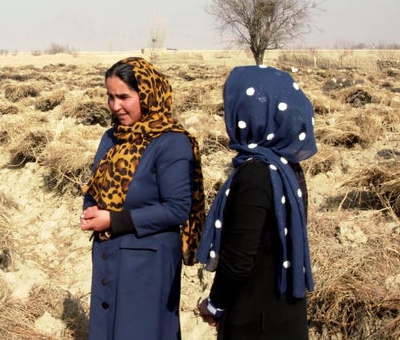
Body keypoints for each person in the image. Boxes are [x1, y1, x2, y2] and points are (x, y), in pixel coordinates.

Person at [80, 57, 206, 340]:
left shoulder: (172, 142)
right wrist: (90, 209)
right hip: (109, 256)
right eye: (110, 97)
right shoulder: (111, 137)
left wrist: (112, 220)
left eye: (124, 97)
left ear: (147, 94)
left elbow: (176, 210)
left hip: (149, 265)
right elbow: (95, 185)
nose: (115, 106)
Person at [196, 65, 317, 339]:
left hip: (255, 321)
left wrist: (215, 305)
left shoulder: (256, 174)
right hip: (283, 315)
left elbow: (239, 259)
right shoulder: (287, 168)